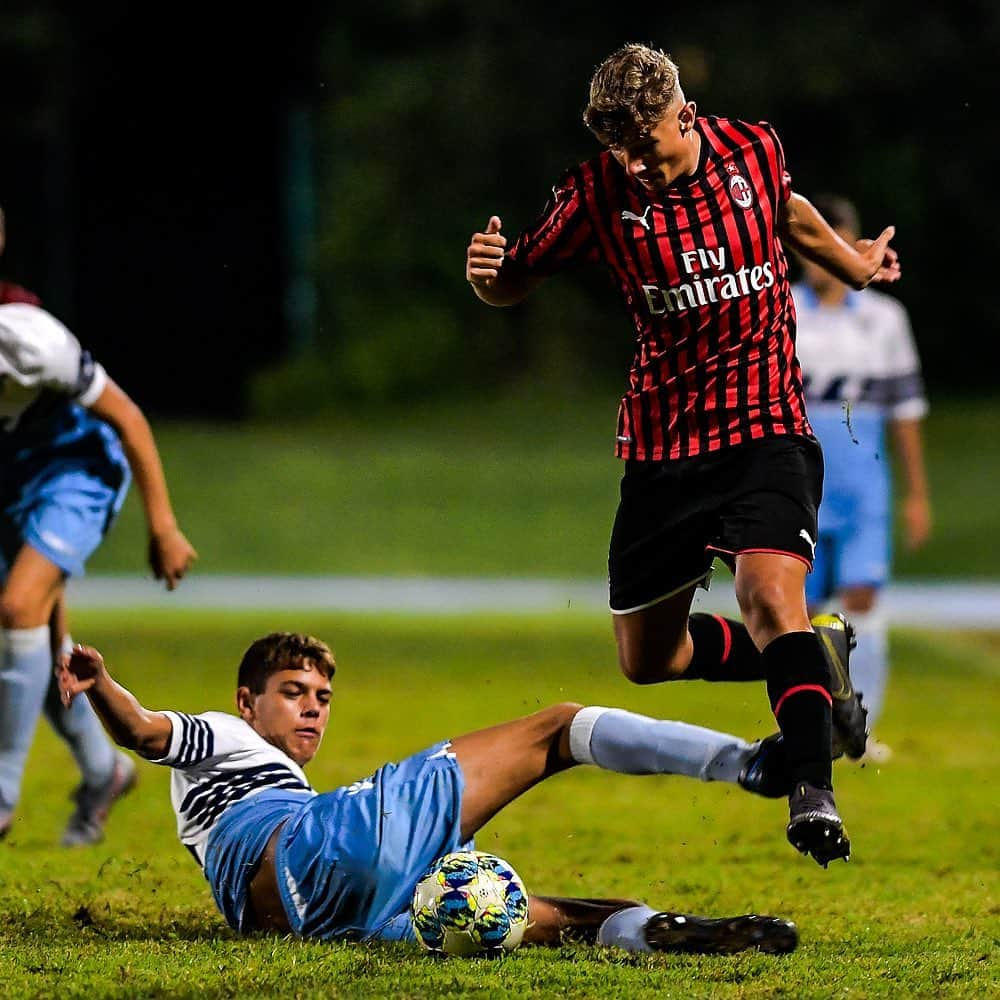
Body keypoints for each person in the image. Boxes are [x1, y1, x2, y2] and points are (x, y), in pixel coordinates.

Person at [466, 43, 903, 866]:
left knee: (768, 596)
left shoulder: (753, 152)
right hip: (665, 447)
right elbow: (515, 276)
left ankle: (812, 789)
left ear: (686, 117)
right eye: (622, 153)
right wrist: (486, 276)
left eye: (650, 146)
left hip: (767, 429)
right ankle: (825, 655)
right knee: (648, 659)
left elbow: (792, 210)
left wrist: (854, 263)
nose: (640, 166)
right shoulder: (598, 193)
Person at [57, 631, 801, 954]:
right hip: (320, 844)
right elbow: (149, 733)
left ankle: (670, 931)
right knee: (558, 728)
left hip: (328, 919)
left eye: (322, 695)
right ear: (246, 702)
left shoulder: (242, 792)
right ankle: (748, 762)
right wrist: (101, 686)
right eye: (292, 692)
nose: (313, 705)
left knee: (544, 917)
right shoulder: (223, 734)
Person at [0, 302, 197, 845]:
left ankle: (1, 797)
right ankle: (102, 770)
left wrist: (162, 526)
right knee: (41, 640)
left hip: (74, 469)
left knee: (18, 608)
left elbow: (128, 419)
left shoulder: (31, 343)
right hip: (11, 479)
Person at [792, 194, 931, 760]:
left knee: (862, 602)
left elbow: (905, 412)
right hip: (799, 483)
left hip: (863, 485)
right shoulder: (783, 310)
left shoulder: (885, 319)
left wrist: (917, 493)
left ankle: (860, 729)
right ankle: (810, 726)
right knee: (798, 612)